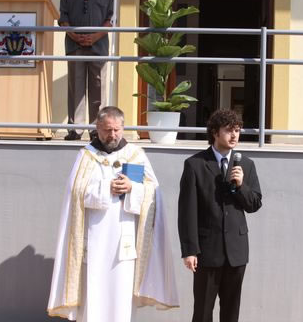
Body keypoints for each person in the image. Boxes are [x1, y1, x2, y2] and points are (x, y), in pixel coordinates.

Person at [48, 106, 179, 322]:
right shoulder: (87, 155)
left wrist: (132, 188)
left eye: (117, 130)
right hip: (94, 239)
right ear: (97, 128)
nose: (113, 135)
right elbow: (76, 192)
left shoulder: (135, 155)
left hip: (123, 241)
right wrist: (105, 187)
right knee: (93, 294)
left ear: (123, 128)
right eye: (107, 130)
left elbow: (153, 193)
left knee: (121, 295)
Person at [178, 109, 263, 322]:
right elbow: (187, 211)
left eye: (237, 130)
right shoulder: (195, 164)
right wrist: (190, 250)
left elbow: (254, 204)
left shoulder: (246, 164)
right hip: (207, 252)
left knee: (231, 312)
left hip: (236, 252)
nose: (234, 135)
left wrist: (241, 186)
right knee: (203, 312)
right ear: (215, 132)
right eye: (228, 130)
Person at [59, 0, 114, 141]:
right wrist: (74, 36)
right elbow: (63, 18)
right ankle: (75, 129)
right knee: (76, 89)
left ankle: (97, 131)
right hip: (75, 46)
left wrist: (95, 37)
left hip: (98, 47)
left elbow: (110, 20)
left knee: (98, 90)